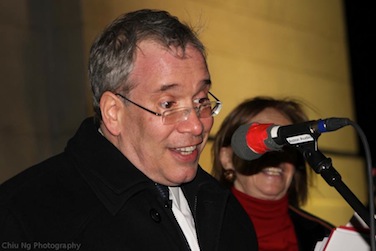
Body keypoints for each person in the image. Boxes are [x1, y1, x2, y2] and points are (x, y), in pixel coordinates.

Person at [0, 9, 258, 251]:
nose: (196, 125)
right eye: (168, 104)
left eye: (201, 100)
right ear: (113, 112)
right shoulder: (26, 217)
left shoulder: (224, 209)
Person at [211, 96, 335, 251]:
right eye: (262, 142)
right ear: (226, 158)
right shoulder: (200, 227)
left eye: (286, 143)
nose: (276, 153)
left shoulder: (325, 236)